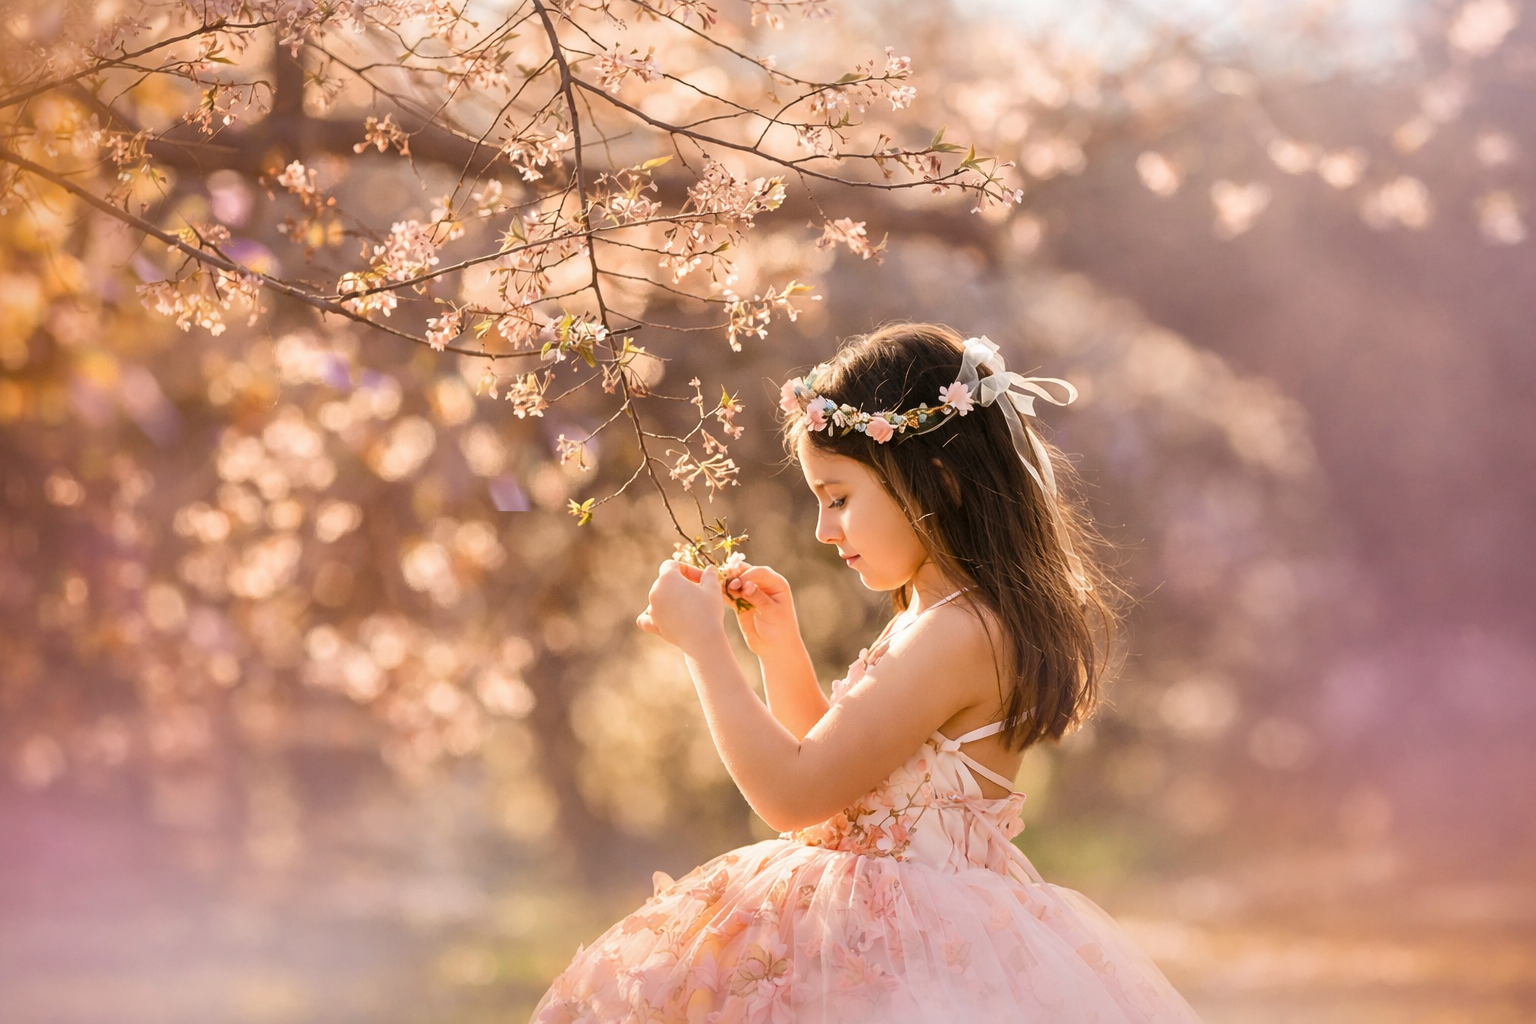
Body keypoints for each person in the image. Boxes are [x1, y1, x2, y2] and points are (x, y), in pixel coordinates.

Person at [529, 323, 1203, 1023]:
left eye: (840, 498)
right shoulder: (933, 614)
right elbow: (841, 780)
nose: (824, 530)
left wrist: (705, 648)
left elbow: (794, 796)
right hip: (883, 933)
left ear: (936, 480)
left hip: (904, 952)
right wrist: (779, 650)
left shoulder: (960, 632)